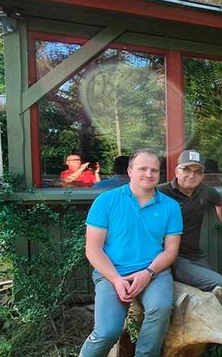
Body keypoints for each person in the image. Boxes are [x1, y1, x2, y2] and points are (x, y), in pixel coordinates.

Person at [79, 149, 183, 357]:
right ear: (129, 171)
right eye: (142, 168)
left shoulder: (170, 206)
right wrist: (117, 280)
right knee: (108, 331)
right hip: (112, 273)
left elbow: (171, 250)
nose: (149, 174)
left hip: (153, 272)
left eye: (154, 170)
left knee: (160, 308)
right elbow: (93, 249)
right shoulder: (106, 201)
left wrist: (148, 273)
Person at [157, 149, 222, 292]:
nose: (192, 175)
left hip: (194, 255)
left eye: (197, 172)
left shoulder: (205, 191)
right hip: (170, 257)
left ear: (202, 176)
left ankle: (177, 288)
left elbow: (220, 203)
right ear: (177, 172)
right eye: (186, 170)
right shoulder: (160, 193)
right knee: (217, 282)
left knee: (216, 285)